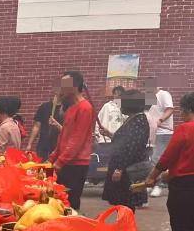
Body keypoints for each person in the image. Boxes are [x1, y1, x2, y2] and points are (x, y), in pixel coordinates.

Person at [144, 92, 194, 231]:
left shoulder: (186, 128)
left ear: (186, 109)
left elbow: (168, 157)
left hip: (184, 185)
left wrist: (152, 176)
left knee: (182, 222)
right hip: (184, 179)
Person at [49, 71, 94, 211]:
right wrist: (52, 158)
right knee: (60, 201)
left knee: (70, 203)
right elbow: (64, 137)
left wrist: (59, 162)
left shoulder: (85, 108)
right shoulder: (71, 108)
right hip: (66, 162)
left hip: (76, 164)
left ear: (75, 86)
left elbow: (77, 140)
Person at [101, 90, 151, 211]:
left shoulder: (138, 121)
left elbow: (131, 148)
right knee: (122, 204)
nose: (120, 106)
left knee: (126, 203)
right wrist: (109, 134)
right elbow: (125, 141)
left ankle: (124, 229)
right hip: (124, 168)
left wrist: (120, 169)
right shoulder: (133, 119)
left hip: (127, 171)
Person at [148, 86, 175, 198]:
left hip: (164, 132)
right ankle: (152, 182)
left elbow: (170, 109)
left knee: (158, 158)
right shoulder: (149, 97)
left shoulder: (164, 94)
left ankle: (159, 185)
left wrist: (160, 120)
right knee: (151, 159)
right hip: (153, 132)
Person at [27, 95, 66, 162]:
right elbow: (37, 126)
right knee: (42, 169)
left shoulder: (66, 109)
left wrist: (57, 124)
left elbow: (68, 132)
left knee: (52, 171)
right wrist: (29, 144)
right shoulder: (44, 107)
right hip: (43, 146)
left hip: (58, 147)